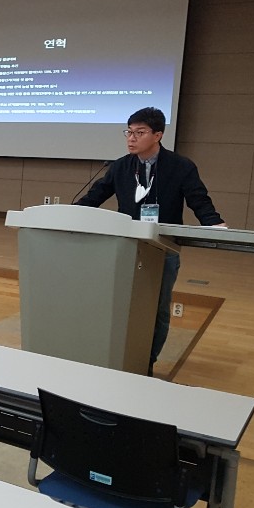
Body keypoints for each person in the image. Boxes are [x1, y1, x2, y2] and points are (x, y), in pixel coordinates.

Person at [75, 107, 225, 374]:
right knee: (120, 303)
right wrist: (70, 214)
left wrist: (214, 223)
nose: (131, 138)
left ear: (158, 135)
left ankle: (147, 362)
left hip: (163, 248)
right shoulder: (120, 166)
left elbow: (199, 200)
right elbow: (94, 197)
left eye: (140, 132)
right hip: (127, 246)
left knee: (158, 308)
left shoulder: (180, 166)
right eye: (129, 132)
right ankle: (117, 355)